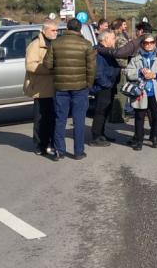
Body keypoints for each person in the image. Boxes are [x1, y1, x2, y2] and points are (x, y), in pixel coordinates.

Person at [43, 18, 97, 161]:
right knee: (79, 120)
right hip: (80, 87)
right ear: (80, 29)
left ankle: (59, 151)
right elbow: (92, 68)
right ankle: (78, 152)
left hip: (61, 87)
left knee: (60, 119)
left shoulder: (55, 43)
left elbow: (47, 64)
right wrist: (89, 85)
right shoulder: (86, 44)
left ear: (67, 27)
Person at [125, 33, 157, 150]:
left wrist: (155, 75)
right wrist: (139, 72)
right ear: (142, 44)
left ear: (154, 44)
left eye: (151, 43)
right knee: (139, 117)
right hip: (141, 92)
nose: (149, 45)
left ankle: (154, 136)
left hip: (155, 92)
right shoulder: (136, 58)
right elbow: (128, 72)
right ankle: (139, 140)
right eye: (146, 43)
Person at [24, 19, 58, 156]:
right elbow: (30, 65)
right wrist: (49, 70)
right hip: (40, 88)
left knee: (52, 118)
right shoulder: (35, 45)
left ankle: (50, 142)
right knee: (40, 119)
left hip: (54, 88)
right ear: (44, 31)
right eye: (53, 30)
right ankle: (39, 145)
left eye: (56, 30)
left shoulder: (55, 43)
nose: (56, 33)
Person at [89, 29, 123, 146]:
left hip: (109, 86)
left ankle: (101, 134)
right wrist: (107, 84)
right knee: (100, 111)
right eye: (113, 38)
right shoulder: (98, 52)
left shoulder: (107, 51)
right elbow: (98, 73)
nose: (115, 40)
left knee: (105, 111)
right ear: (105, 39)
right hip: (103, 87)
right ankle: (96, 137)